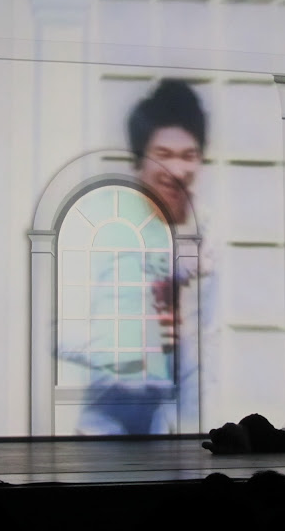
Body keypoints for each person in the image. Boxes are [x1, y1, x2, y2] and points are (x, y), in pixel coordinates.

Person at [74, 78, 219, 435]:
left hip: (172, 416)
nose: (177, 171)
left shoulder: (205, 230)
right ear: (140, 160)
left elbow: (207, 334)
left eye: (189, 156)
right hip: (105, 412)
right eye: (163, 155)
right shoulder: (104, 219)